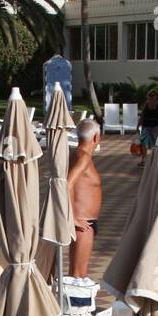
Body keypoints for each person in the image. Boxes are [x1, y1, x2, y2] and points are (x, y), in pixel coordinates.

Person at [67, 118, 102, 279]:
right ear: (96, 137)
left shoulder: (76, 154)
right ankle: (76, 304)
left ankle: (73, 303)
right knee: (79, 274)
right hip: (83, 223)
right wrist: (73, 218)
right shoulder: (84, 157)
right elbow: (68, 184)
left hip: (84, 222)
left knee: (77, 272)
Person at [138, 88, 158, 155]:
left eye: (153, 95)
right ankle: (144, 160)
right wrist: (138, 125)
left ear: (156, 96)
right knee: (144, 144)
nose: (151, 96)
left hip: (155, 127)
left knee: (155, 144)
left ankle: (154, 158)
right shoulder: (146, 104)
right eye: (150, 95)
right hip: (145, 126)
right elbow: (142, 116)